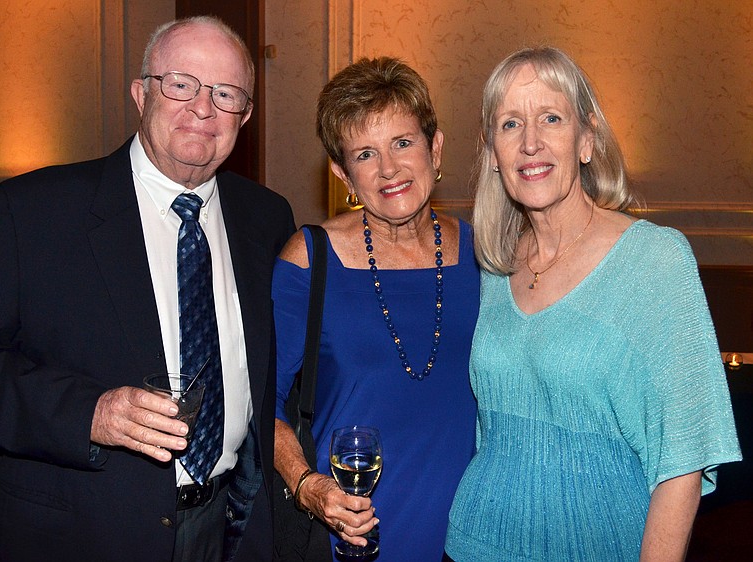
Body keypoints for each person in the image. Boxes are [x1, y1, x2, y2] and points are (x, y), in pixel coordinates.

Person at [0, 16, 295, 562]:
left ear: (244, 114)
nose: (203, 108)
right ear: (140, 93)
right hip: (85, 530)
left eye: (226, 93)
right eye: (181, 84)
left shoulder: (267, 218)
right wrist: (90, 414)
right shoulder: (31, 213)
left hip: (234, 528)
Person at [445, 46, 742, 561]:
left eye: (551, 118)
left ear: (586, 139)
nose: (531, 142)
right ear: (492, 152)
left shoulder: (654, 259)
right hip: (472, 546)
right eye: (511, 124)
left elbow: (684, 462)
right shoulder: (493, 267)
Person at [272, 57, 481, 561]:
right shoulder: (309, 259)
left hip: (478, 530)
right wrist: (307, 486)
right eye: (365, 154)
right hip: (354, 533)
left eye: (403, 143)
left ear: (436, 149)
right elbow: (262, 403)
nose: (389, 169)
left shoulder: (486, 254)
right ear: (343, 174)